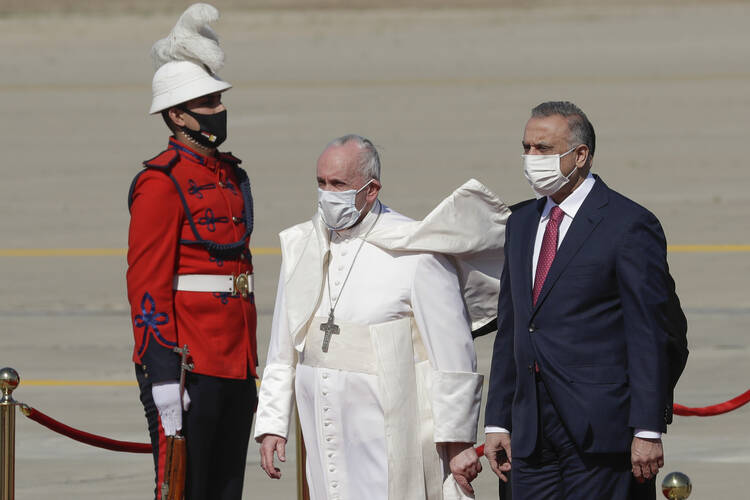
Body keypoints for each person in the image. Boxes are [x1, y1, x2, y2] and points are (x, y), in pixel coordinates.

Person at [254, 134, 509, 499]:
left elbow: (452, 353)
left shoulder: (415, 251)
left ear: (371, 190)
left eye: (339, 184)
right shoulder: (304, 245)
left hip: (390, 430)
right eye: (321, 183)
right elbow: (283, 343)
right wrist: (273, 423)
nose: (327, 194)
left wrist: (458, 441)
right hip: (323, 427)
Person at [483, 101, 686, 499]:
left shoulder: (627, 225)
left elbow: (655, 334)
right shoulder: (521, 222)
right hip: (531, 434)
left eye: (543, 149)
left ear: (580, 155)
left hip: (601, 432)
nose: (530, 158)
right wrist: (498, 422)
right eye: (526, 147)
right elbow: (512, 327)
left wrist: (647, 427)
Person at [126, 4, 257, 499]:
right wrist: (162, 374)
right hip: (189, 363)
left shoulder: (228, 173)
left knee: (226, 489)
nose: (217, 111)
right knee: (185, 489)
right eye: (204, 104)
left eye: (216, 100)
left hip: (234, 359)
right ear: (176, 115)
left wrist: (249, 363)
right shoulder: (160, 184)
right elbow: (147, 286)